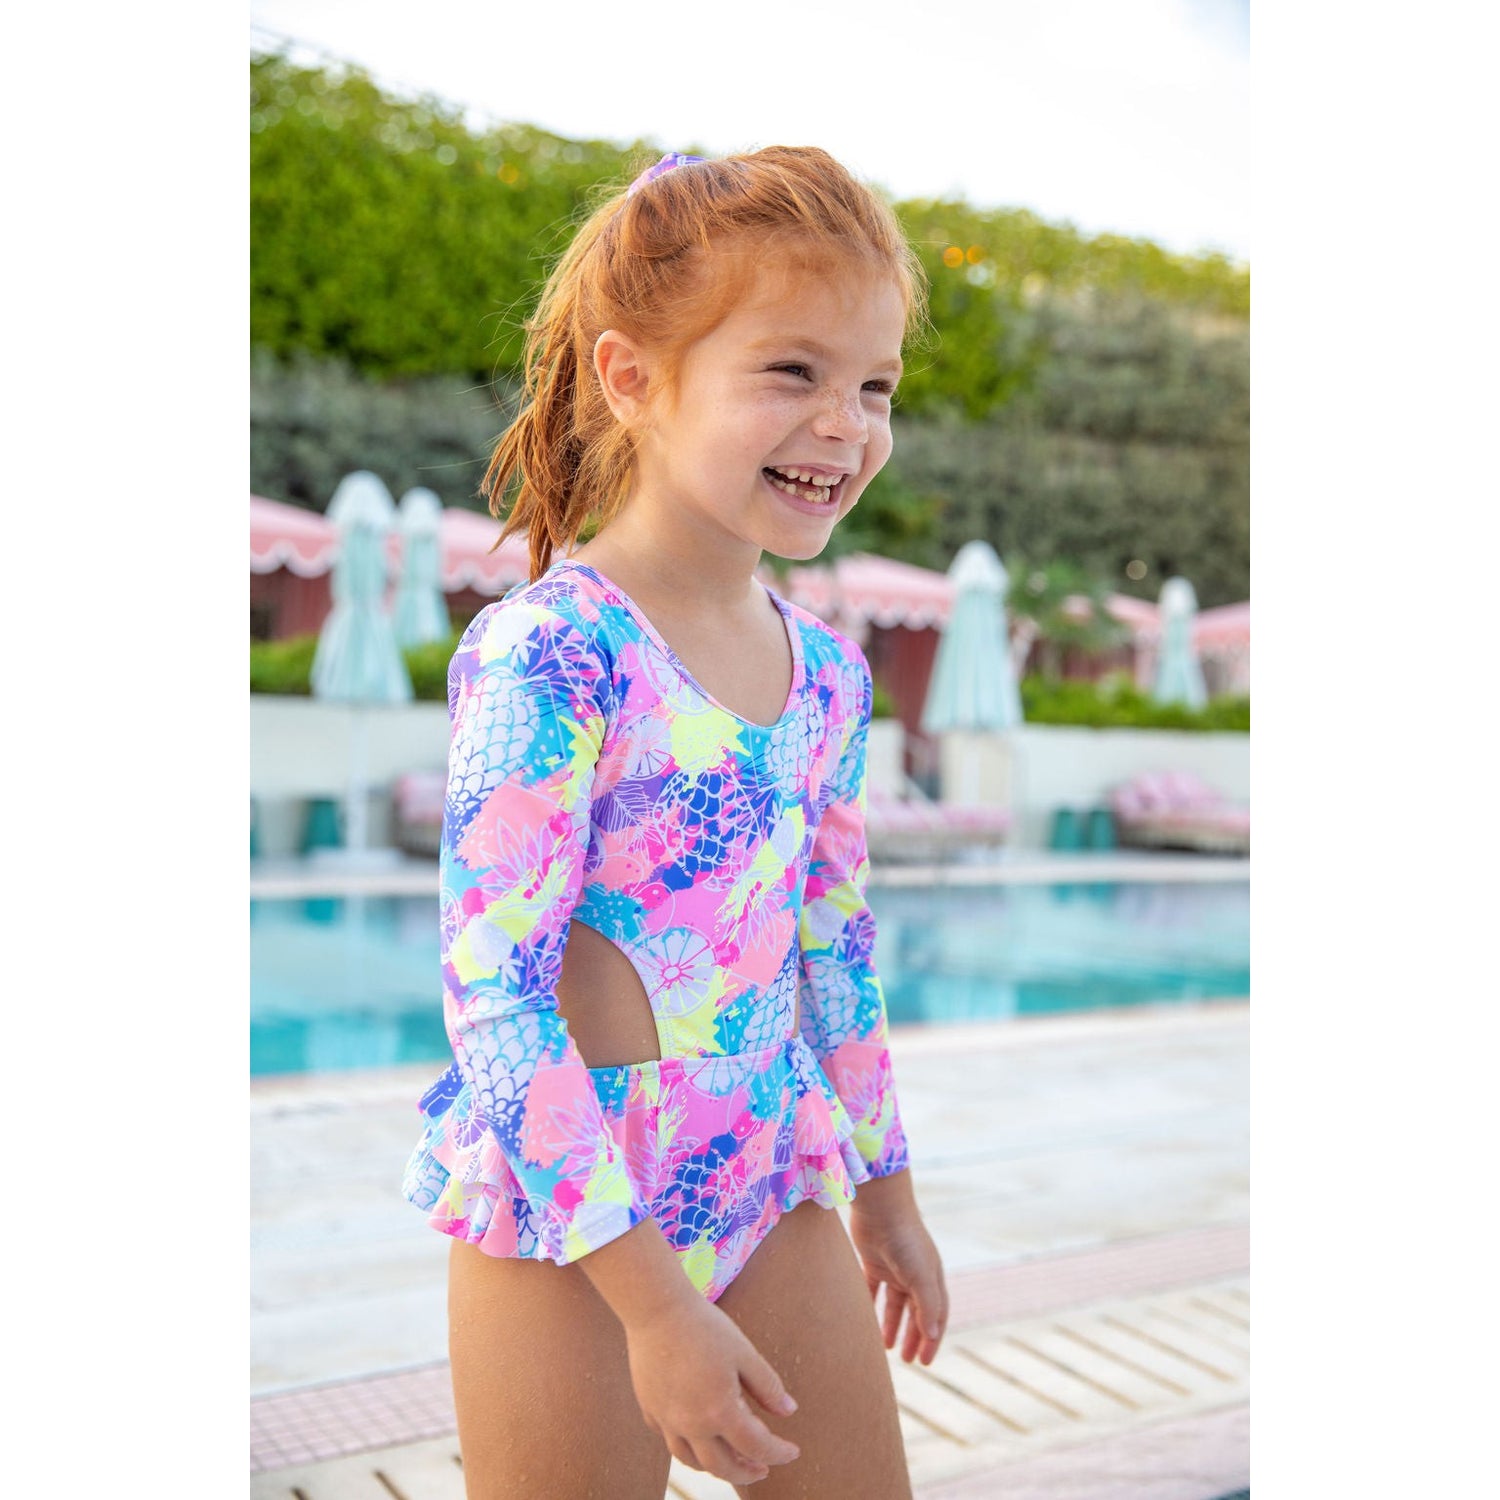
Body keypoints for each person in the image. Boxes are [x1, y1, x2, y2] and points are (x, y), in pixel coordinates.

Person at [402, 145, 948, 1498]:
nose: (846, 424)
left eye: (875, 386)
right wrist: (652, 1307)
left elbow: (833, 950)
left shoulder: (828, 676)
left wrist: (886, 1193)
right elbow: (493, 994)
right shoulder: (558, 651)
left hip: (766, 1171)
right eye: (793, 371)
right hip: (573, 1221)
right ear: (632, 378)